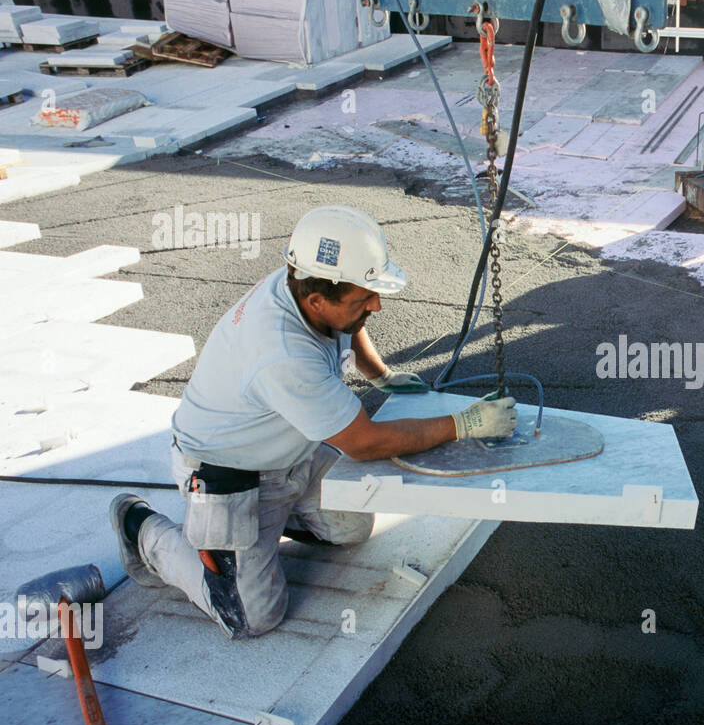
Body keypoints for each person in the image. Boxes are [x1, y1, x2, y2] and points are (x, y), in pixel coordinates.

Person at [108, 205, 518, 637]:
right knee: (251, 617)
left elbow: (348, 321)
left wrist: (381, 375)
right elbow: (363, 442)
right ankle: (142, 528)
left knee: (352, 527)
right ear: (316, 299)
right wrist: (463, 423)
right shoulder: (282, 353)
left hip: (290, 452)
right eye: (366, 297)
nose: (376, 305)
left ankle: (260, 531)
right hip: (227, 473)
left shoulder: (310, 286)